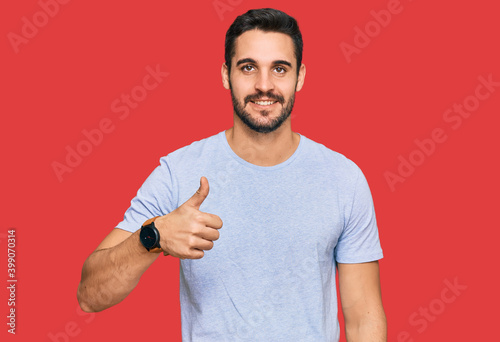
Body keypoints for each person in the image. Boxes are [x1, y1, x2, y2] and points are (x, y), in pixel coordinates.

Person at [77, 8, 387, 341]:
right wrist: (151, 238)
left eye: (279, 69)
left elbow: (363, 318)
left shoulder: (344, 179)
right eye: (248, 67)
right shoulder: (179, 172)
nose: (263, 85)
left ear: (300, 76)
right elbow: (90, 296)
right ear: (226, 75)